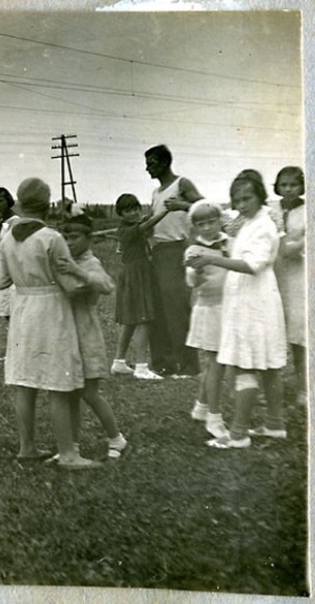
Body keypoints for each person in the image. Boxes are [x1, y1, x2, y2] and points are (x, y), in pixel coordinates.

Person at [0, 177, 100, 469]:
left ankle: (26, 447)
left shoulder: (6, 238)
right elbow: (69, 282)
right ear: (47, 205)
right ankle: (67, 453)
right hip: (52, 309)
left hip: (23, 309)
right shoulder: (52, 238)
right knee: (58, 382)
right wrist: (89, 280)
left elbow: (1, 281)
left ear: (19, 202)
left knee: (25, 382)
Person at [187, 171, 287, 449]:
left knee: (246, 364)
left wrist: (212, 259)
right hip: (250, 298)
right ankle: (275, 423)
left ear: (260, 196)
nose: (241, 205)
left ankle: (238, 433)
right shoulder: (250, 222)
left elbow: (252, 265)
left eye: (247, 198)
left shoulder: (264, 225)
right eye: (236, 200)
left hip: (254, 301)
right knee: (267, 365)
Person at [59, 215, 130, 461]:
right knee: (70, 395)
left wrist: (77, 272)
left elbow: (107, 285)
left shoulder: (90, 262)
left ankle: (116, 438)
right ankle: (73, 448)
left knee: (90, 393)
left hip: (86, 335)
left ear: (89, 239)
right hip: (68, 336)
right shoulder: (67, 261)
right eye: (66, 238)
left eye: (75, 237)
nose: (69, 242)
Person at [145, 144, 203, 377]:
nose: (147, 168)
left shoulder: (182, 184)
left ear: (166, 163)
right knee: (157, 309)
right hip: (157, 252)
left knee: (176, 308)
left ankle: (189, 366)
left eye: (152, 163)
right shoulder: (156, 193)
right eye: (147, 163)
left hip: (175, 250)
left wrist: (182, 205)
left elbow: (204, 208)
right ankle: (165, 363)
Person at [110, 193, 172, 380]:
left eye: (136, 208)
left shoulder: (131, 227)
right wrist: (166, 210)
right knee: (144, 319)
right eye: (128, 210)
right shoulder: (126, 230)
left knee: (130, 321)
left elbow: (145, 228)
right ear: (121, 214)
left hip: (137, 273)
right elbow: (147, 226)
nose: (134, 213)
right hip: (136, 275)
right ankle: (141, 366)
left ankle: (119, 362)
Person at [183, 202, 230, 439]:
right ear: (195, 227)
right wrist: (197, 270)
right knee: (215, 363)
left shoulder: (228, 243)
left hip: (228, 307)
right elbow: (192, 282)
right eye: (201, 224)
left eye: (211, 222)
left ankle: (201, 407)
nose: (207, 227)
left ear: (219, 220)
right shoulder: (194, 250)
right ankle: (214, 416)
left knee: (217, 362)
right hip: (210, 309)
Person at [272, 166, 306, 406]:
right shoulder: (271, 210)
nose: (288, 189)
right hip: (274, 277)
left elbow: (301, 244)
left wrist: (293, 246)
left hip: (298, 278)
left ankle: (304, 389)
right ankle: (271, 390)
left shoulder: (307, 210)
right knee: (273, 333)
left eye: (293, 184)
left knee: (298, 336)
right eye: (283, 184)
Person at [0, 187, 19, 320]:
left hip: (12, 267)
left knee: (14, 307)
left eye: (0, 201)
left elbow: (10, 246)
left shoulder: (15, 221)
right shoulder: (3, 221)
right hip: (2, 265)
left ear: (8, 200)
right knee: (6, 309)